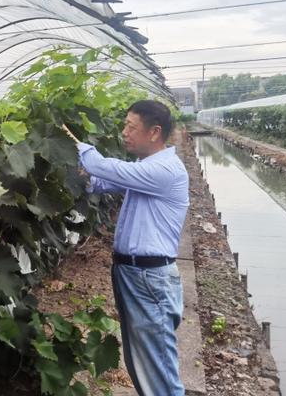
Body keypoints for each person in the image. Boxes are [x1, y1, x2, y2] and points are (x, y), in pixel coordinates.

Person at [64, 100, 189, 396]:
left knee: (158, 369)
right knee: (141, 364)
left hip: (149, 281)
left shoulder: (166, 170)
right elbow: (99, 182)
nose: (124, 132)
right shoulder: (145, 169)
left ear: (154, 132)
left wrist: (78, 146)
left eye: (131, 127)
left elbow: (101, 166)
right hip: (133, 274)